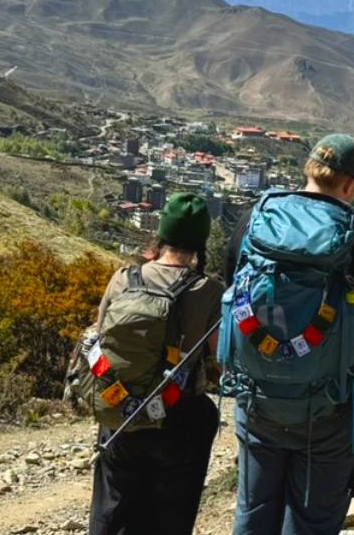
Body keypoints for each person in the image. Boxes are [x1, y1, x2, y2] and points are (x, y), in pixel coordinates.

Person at [223, 134, 354, 535]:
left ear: (309, 170)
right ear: (353, 185)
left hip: (257, 403)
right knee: (312, 520)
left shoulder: (255, 221)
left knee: (253, 512)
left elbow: (230, 294)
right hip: (329, 410)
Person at [89, 193, 223, 535]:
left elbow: (99, 339)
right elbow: (222, 358)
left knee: (112, 507)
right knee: (170, 516)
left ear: (161, 235)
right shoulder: (208, 291)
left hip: (119, 412)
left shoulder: (123, 278)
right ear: (200, 242)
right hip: (180, 415)